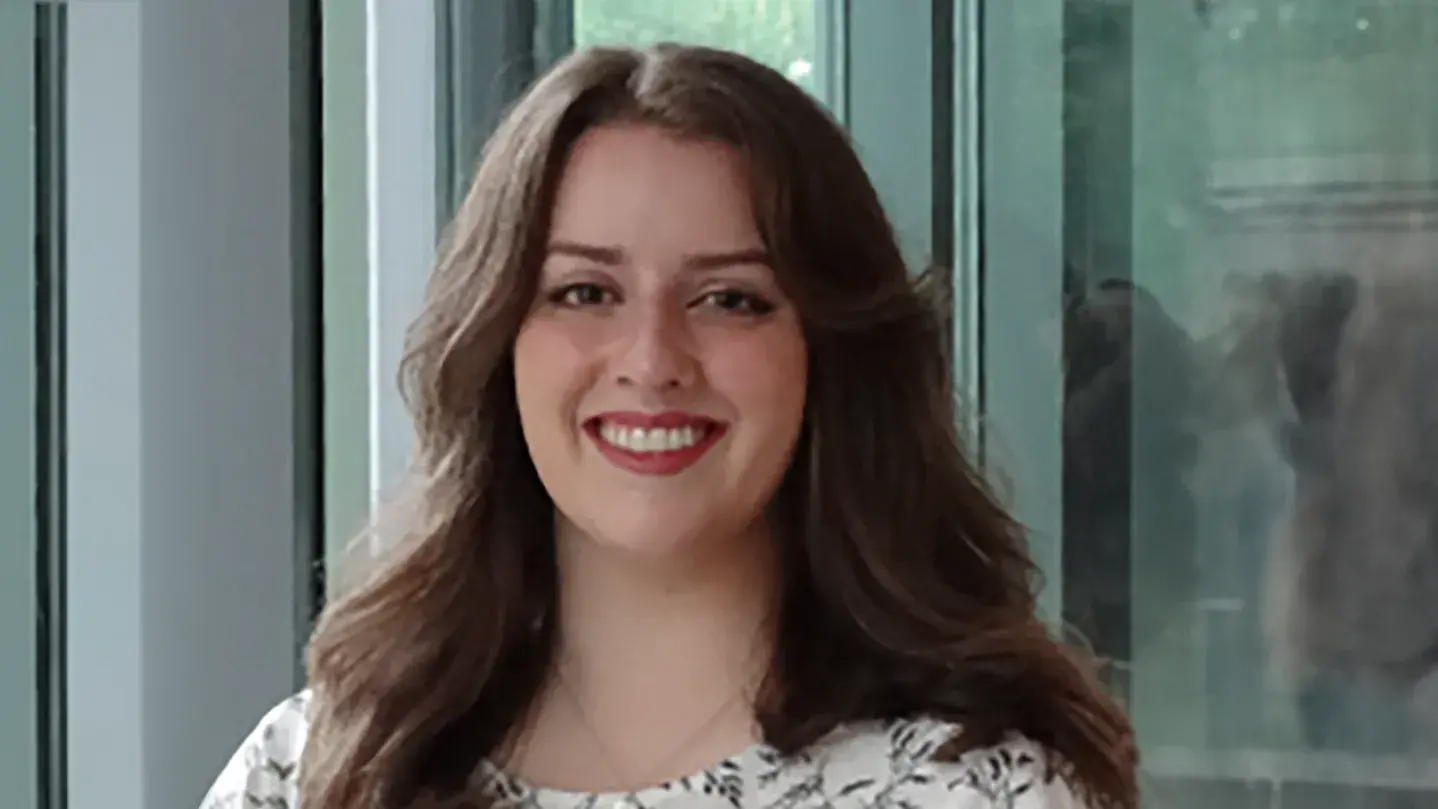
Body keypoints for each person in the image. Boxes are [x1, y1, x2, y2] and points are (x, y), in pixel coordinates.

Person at [199, 43, 1136, 809]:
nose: (651, 359)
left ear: (832, 354)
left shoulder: (978, 789)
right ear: (495, 344)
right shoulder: (317, 772)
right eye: (584, 292)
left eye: (730, 298)